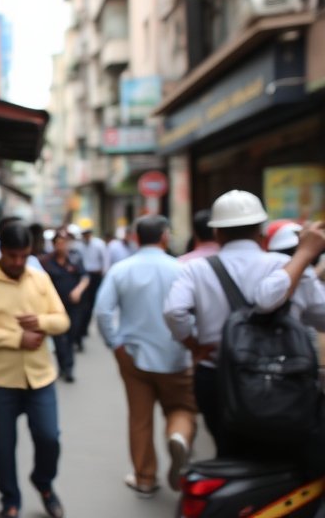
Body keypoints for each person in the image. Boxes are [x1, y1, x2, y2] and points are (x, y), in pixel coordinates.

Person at [164, 190, 325, 470]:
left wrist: (194, 347)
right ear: (261, 231)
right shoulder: (289, 267)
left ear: (216, 232)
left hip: (216, 376)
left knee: (229, 451)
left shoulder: (195, 270)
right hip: (284, 378)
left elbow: (174, 311)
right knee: (282, 456)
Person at [0, 223, 70, 518]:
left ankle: (44, 483)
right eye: (13, 256)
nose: (19, 263)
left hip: (40, 375)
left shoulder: (39, 279)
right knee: (3, 444)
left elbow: (62, 320)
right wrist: (16, 339)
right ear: (0, 251)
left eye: (24, 256)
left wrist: (41, 323)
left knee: (50, 437)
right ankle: (10, 501)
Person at [95, 216, 196, 496]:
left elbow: (103, 312)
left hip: (133, 356)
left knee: (139, 418)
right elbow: (192, 313)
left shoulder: (121, 269)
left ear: (136, 238)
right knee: (182, 408)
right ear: (165, 236)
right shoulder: (181, 269)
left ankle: (144, 478)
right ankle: (179, 437)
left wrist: (114, 344)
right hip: (176, 356)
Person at [41, 229, 89, 383]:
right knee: (58, 337)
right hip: (54, 307)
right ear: (54, 245)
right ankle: (63, 366)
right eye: (58, 243)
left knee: (70, 336)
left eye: (64, 243)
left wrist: (78, 290)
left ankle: (68, 368)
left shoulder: (74, 259)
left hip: (73, 305)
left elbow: (85, 277)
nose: (61, 246)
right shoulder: (46, 262)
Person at [75, 222, 109, 351]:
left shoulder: (98, 244)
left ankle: (84, 327)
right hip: (82, 276)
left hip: (95, 276)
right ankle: (81, 330)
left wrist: (103, 275)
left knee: (90, 304)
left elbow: (105, 260)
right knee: (83, 304)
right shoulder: (78, 246)